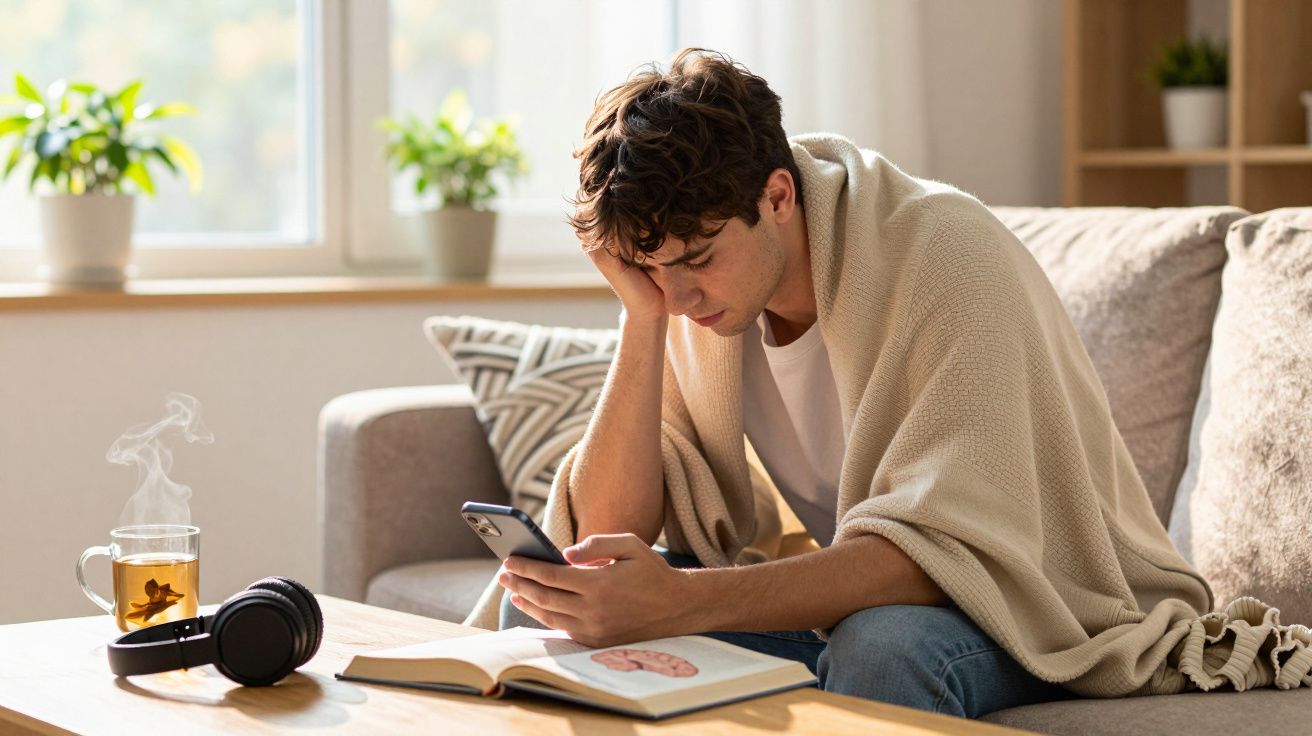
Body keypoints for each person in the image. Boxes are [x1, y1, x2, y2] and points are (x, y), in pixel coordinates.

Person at [479, 48, 1213, 719]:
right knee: (556, 605)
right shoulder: (682, 303)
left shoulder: (944, 255)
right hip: (868, 598)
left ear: (776, 198)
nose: (680, 297)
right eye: (654, 271)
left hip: (1034, 605)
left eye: (698, 259)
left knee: (881, 648)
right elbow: (611, 531)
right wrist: (640, 319)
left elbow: (939, 556)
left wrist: (681, 601)